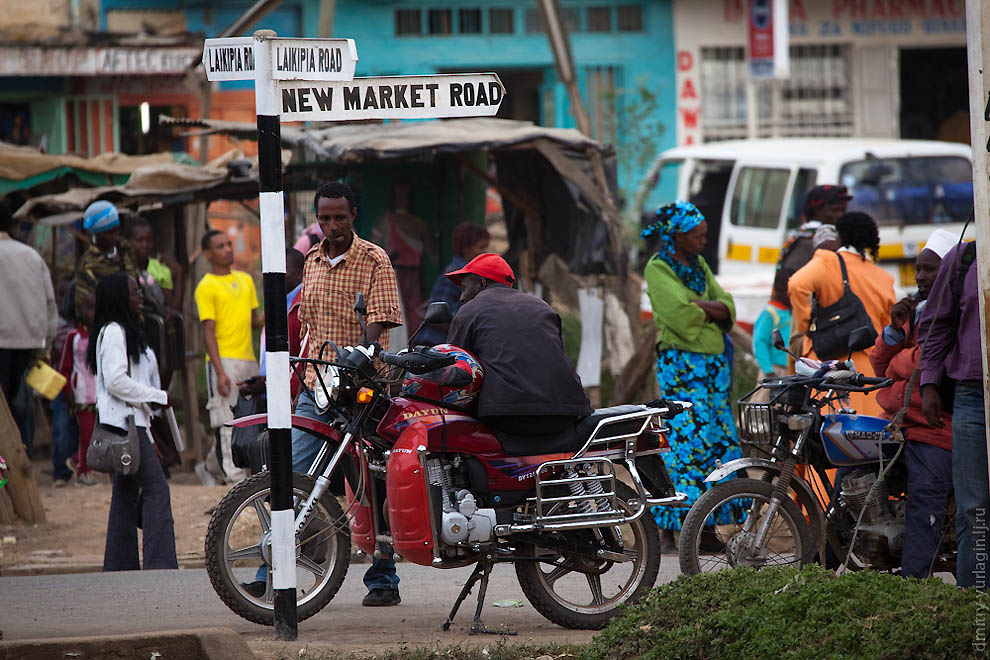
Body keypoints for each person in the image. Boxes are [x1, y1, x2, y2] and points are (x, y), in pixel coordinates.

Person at [287, 181, 403, 607]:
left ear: (354, 215)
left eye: (339, 217)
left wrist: (360, 355)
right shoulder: (311, 261)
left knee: (372, 483)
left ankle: (384, 577)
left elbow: (380, 319)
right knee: (290, 475)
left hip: (364, 388)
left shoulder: (375, 259)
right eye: (324, 218)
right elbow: (309, 326)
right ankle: (273, 570)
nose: (331, 225)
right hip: (317, 387)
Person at [640, 201, 739, 553]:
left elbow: (728, 305)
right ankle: (670, 531)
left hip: (712, 371)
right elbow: (680, 319)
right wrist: (709, 310)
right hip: (682, 368)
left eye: (704, 235)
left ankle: (708, 529)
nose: (703, 241)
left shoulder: (698, 265)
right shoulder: (658, 268)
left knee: (714, 440)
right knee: (683, 444)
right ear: (677, 236)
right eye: (697, 236)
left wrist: (705, 307)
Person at [869, 228, 955, 579]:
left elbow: (924, 364)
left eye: (929, 269)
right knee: (848, 473)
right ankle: (828, 565)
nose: (921, 276)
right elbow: (879, 365)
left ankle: (913, 585)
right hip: (898, 422)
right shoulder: (917, 311)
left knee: (924, 500)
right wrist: (893, 330)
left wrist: (899, 362)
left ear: (948, 272)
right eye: (919, 269)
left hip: (935, 428)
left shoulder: (958, 313)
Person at [445, 253, 591, 436]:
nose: (461, 297)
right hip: (568, 413)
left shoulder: (469, 311)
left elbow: (454, 369)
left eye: (464, 288)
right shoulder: (543, 307)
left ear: (481, 283)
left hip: (509, 416)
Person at [87, 272, 177, 571]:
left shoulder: (126, 330)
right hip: (125, 423)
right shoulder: (114, 331)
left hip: (134, 422)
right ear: (117, 297)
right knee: (156, 489)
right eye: (133, 292)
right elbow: (115, 381)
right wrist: (157, 396)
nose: (140, 295)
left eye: (139, 290)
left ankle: (119, 566)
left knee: (125, 493)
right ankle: (160, 564)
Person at [919, 235, 986, 590]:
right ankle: (975, 609)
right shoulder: (965, 257)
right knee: (974, 509)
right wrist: (929, 382)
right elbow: (936, 324)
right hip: (972, 397)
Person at [788, 211, 896, 417]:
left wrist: (804, 327)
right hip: (868, 370)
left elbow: (796, 284)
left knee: (823, 435)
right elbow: (888, 328)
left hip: (827, 367)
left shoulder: (829, 262)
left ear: (840, 236)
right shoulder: (884, 278)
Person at [194, 229, 263, 485]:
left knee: (250, 419)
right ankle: (235, 480)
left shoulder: (245, 280)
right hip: (224, 361)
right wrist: (219, 371)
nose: (227, 249)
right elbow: (208, 331)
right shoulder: (206, 286)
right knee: (227, 422)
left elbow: (254, 320)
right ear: (208, 254)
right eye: (220, 246)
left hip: (249, 359)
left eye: (229, 244)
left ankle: (211, 466)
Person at [0, 200, 57, 447]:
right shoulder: (31, 256)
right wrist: (46, 344)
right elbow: (50, 304)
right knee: (21, 406)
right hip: (29, 344)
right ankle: (23, 462)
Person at [240, 248, 307, 401]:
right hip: (275, 390)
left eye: (283, 270)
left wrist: (269, 384)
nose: (274, 276)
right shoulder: (279, 300)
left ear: (299, 274)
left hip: (291, 396)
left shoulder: (301, 306)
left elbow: (301, 361)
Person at [413, 222, 490, 346]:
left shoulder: (467, 272)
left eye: (486, 247)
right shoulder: (458, 274)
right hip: (436, 343)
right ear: (465, 248)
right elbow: (439, 314)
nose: (484, 252)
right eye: (481, 248)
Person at [775, 185, 851, 295]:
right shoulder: (809, 242)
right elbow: (789, 283)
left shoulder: (807, 236)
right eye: (835, 210)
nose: (841, 216)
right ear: (817, 210)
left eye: (843, 211)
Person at [58, 293, 99, 486]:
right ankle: (82, 470)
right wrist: (67, 390)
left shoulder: (101, 335)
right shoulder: (73, 337)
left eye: (94, 307)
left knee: (96, 433)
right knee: (86, 433)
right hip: (81, 392)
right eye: (88, 308)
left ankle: (77, 460)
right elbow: (64, 366)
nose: (92, 312)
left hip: (99, 393)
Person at [74, 201, 138, 318]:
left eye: (116, 231)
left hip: (135, 320)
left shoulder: (125, 249)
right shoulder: (88, 265)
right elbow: (85, 306)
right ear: (96, 234)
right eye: (108, 233)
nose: (114, 236)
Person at [127, 217, 184, 315]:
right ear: (127, 242)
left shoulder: (160, 269)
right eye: (139, 240)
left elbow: (172, 308)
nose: (145, 245)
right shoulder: (122, 268)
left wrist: (179, 272)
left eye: (149, 240)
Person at [752, 272, 791, 380]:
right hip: (773, 370)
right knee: (763, 397)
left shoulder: (788, 312)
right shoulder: (770, 313)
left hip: (787, 370)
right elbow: (759, 342)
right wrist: (768, 371)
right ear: (781, 290)